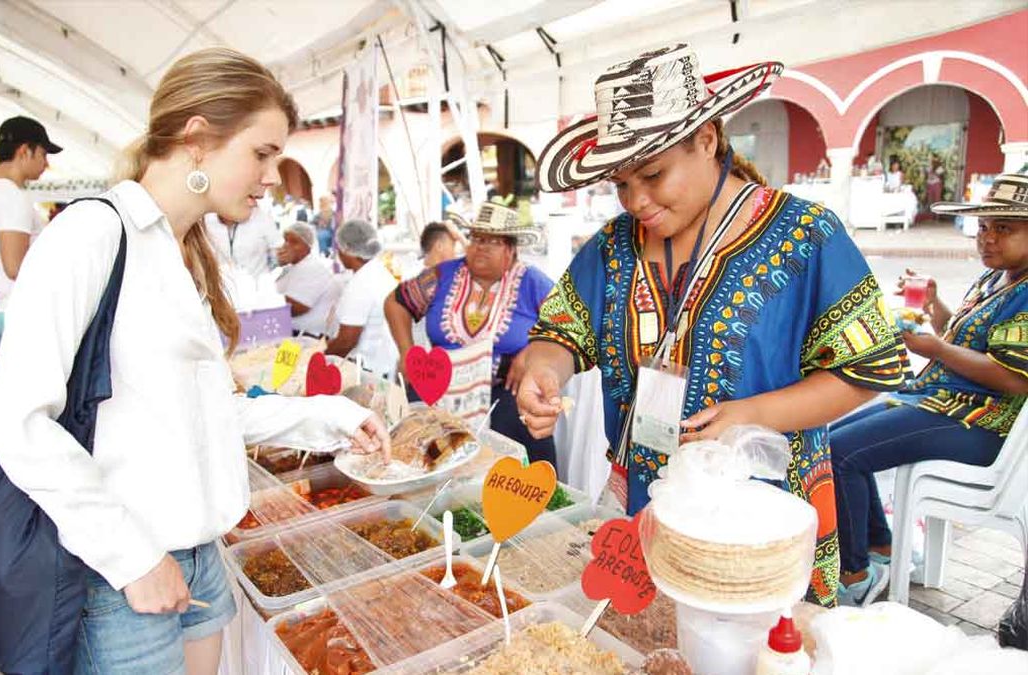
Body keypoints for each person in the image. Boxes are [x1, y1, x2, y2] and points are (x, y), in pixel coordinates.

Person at [0, 47, 390, 675]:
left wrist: (325, 417)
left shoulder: (183, 249)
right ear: (197, 138)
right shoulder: (90, 237)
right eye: (261, 153)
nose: (274, 176)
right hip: (123, 576)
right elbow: (15, 419)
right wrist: (133, 557)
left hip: (199, 555)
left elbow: (203, 415)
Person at [514, 44, 909, 608]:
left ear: (708, 140)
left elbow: (868, 369)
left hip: (759, 513)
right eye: (620, 184)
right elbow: (561, 331)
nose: (636, 201)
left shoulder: (805, 235)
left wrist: (751, 415)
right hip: (644, 501)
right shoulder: (614, 245)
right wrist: (545, 373)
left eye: (652, 174)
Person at [829, 173, 1028, 607]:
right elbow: (966, 338)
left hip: (979, 420)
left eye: (1005, 229)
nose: (988, 239)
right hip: (938, 400)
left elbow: (1013, 377)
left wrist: (935, 347)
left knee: (841, 453)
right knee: (833, 439)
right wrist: (937, 308)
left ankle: (854, 574)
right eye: (983, 228)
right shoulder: (996, 279)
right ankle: (880, 549)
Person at [387, 202, 557, 463]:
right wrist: (406, 350)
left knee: (515, 452)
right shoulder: (444, 274)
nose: (480, 246)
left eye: (492, 241)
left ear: (511, 250)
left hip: (503, 392)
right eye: (476, 238)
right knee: (415, 447)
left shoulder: (532, 282)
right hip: (439, 384)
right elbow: (396, 302)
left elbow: (567, 323)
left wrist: (532, 351)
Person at [0, 116, 60, 333]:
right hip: (28, 311)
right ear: (24, 151)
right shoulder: (12, 196)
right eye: (43, 154)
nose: (46, 163)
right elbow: (14, 267)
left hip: (10, 309)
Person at [325, 219, 400, 376]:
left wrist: (320, 357)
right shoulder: (379, 271)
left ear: (346, 250)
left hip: (366, 368)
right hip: (384, 362)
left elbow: (347, 341)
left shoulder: (361, 285)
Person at [275, 222, 339, 335]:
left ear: (307, 247)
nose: (286, 246)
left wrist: (265, 299)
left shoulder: (312, 269)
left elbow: (296, 308)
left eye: (294, 242)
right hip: (293, 333)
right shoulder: (294, 267)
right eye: (285, 240)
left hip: (305, 337)